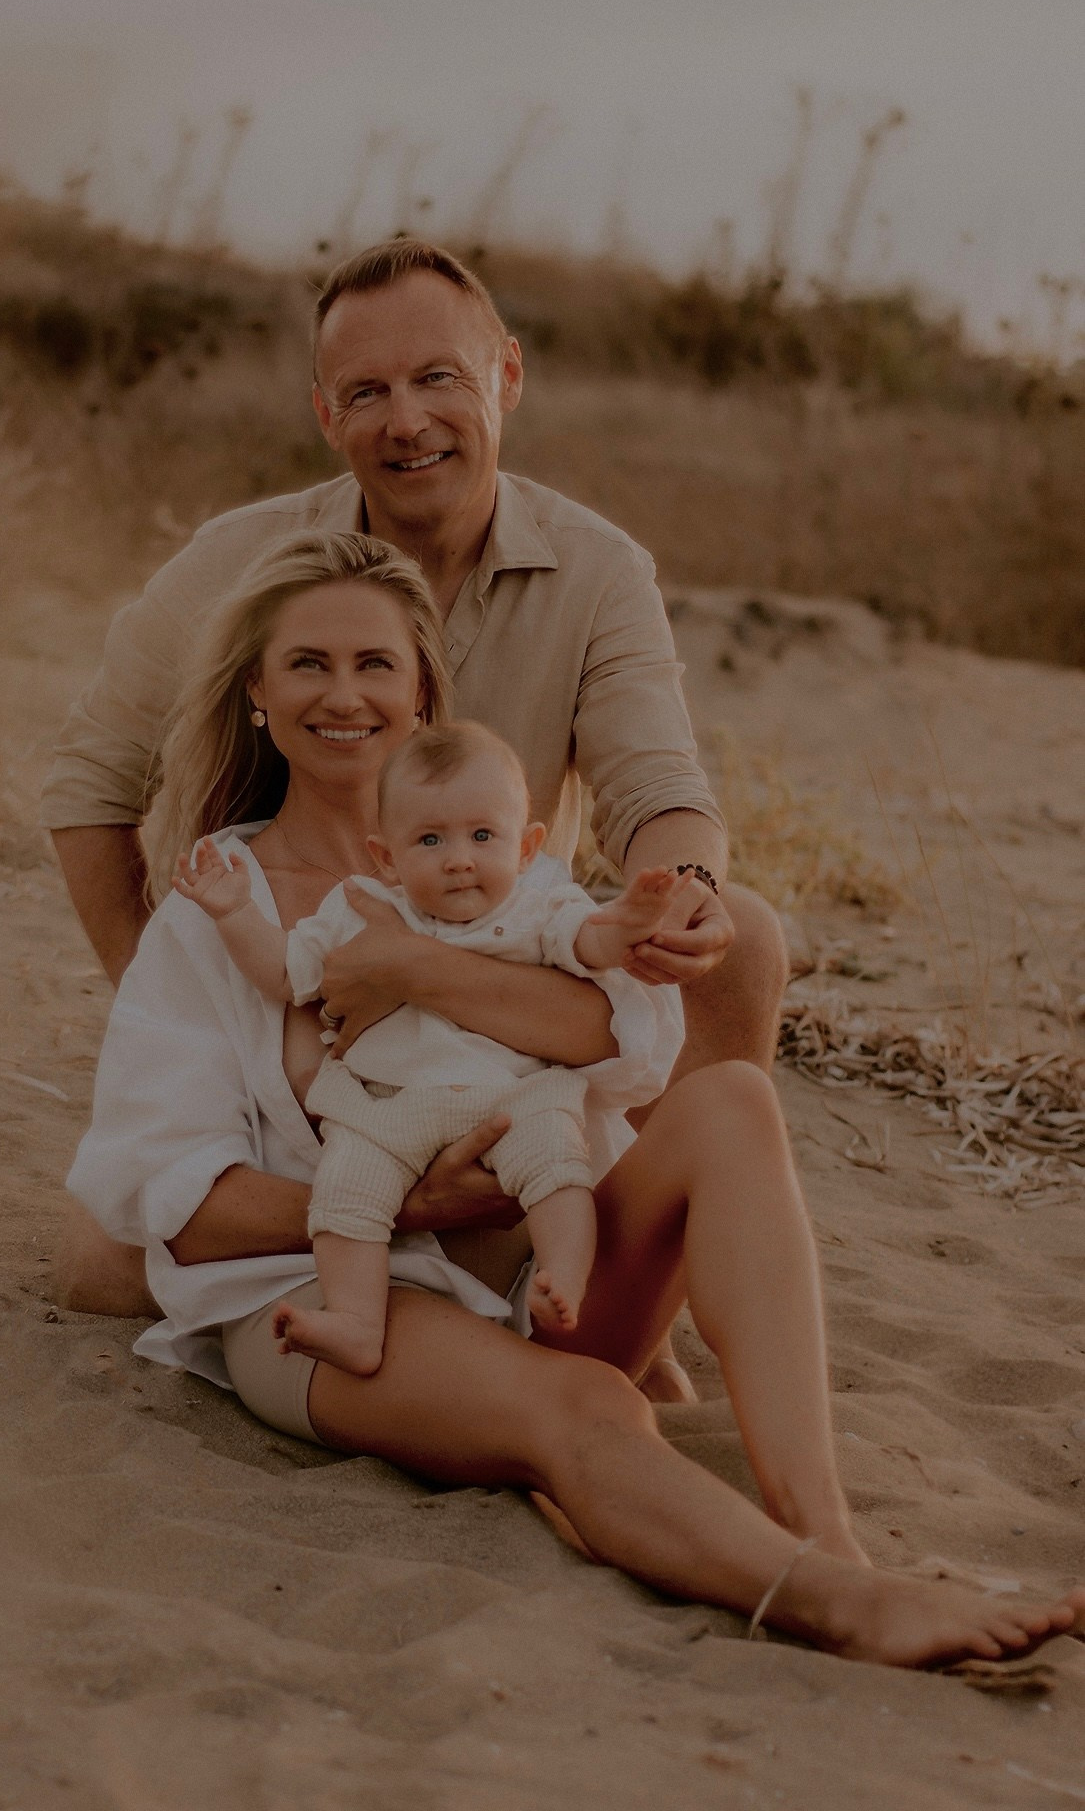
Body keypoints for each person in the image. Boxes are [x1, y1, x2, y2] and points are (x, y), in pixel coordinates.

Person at [66, 529, 1085, 1669]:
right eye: (307, 663)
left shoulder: (497, 870)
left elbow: (623, 1041)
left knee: (733, 1098)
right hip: (327, 1292)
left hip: (533, 1264)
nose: (343, 693)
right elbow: (182, 1207)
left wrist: (415, 967)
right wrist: (411, 1205)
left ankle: (830, 1530)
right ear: (257, 691)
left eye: (375, 665)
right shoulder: (217, 913)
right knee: (595, 1413)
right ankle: (834, 1603)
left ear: (418, 694)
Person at [45, 239, 790, 1379]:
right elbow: (90, 786)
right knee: (98, 1260)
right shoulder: (237, 561)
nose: (408, 420)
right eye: (368, 391)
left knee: (742, 938)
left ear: (507, 377)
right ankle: (413, 1255)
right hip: (309, 994)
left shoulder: (598, 570)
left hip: (504, 969)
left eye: (439, 377)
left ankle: (629, 1294)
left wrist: (678, 891)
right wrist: (171, 991)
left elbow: (659, 789)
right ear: (322, 413)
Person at [174, 717, 700, 1369]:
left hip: (513, 1095)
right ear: (386, 856)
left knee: (557, 1163)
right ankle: (356, 1323)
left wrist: (626, 923)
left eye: (483, 836)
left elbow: (588, 946)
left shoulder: (536, 910)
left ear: (526, 846)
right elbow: (285, 973)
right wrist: (233, 913)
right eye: (429, 839)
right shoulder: (358, 909)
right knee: (343, 1195)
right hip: (386, 1105)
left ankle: (563, 1276)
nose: (459, 858)